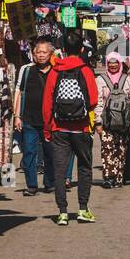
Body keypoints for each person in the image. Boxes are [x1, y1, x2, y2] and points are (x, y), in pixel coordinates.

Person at [42, 29, 99, 225]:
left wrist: (47, 128)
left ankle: (63, 212)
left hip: (59, 128)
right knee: (84, 167)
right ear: (82, 49)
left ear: (63, 50)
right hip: (81, 128)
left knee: (59, 170)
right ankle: (83, 209)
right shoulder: (86, 70)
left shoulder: (55, 71)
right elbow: (92, 100)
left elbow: (47, 103)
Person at [13, 39, 58, 196]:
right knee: (29, 153)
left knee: (50, 153)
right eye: (38, 52)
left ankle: (49, 183)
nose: (40, 55)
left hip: (49, 120)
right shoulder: (26, 70)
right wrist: (17, 116)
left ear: (51, 54)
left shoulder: (56, 71)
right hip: (29, 119)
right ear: (33, 54)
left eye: (44, 52)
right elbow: (20, 91)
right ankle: (31, 185)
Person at [96, 51, 130, 188]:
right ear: (106, 64)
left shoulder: (128, 80)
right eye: (110, 63)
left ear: (120, 64)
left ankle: (119, 178)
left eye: (116, 63)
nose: (113, 66)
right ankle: (109, 177)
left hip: (124, 123)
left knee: (121, 150)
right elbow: (98, 102)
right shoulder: (100, 80)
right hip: (106, 123)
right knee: (107, 150)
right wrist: (97, 122)